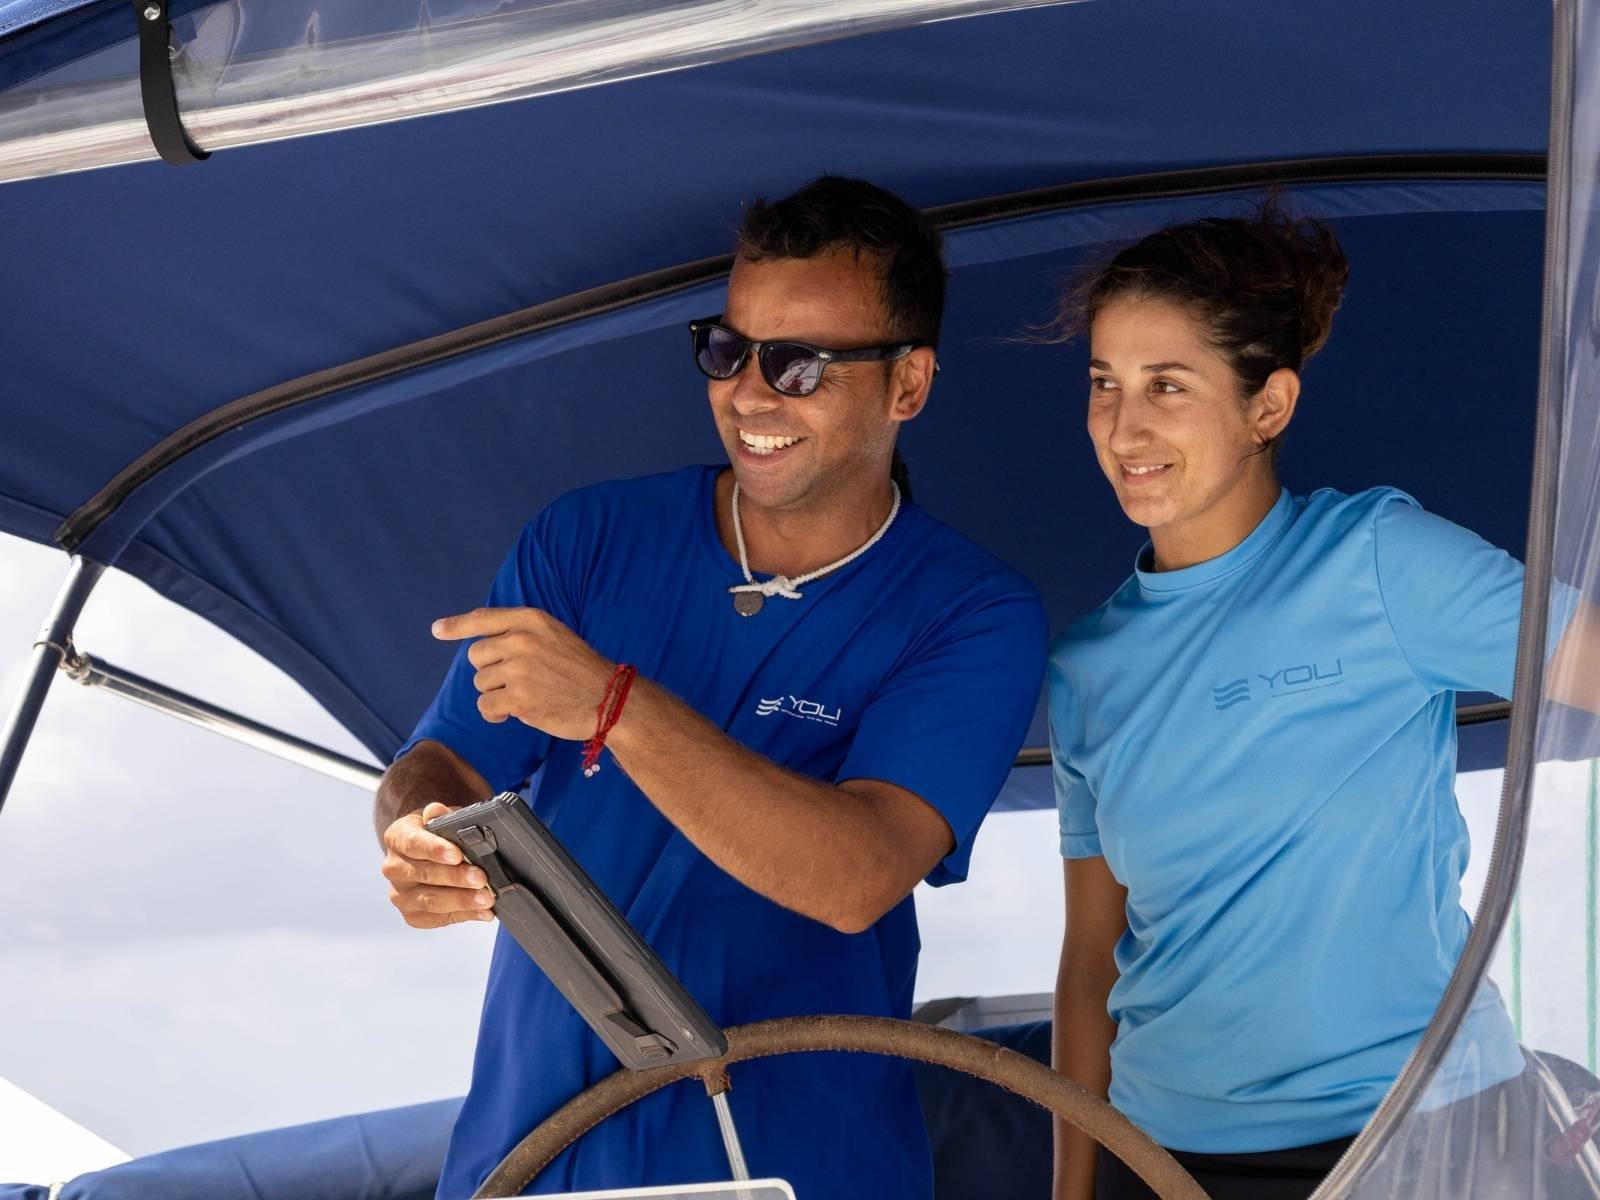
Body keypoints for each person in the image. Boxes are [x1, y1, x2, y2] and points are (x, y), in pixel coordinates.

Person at [374, 175, 1048, 1199]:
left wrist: (615, 706)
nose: (749, 393)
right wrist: (416, 832)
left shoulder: (973, 615)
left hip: (796, 1172)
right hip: (529, 1158)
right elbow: (444, 761)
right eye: (728, 350)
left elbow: (854, 876)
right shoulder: (587, 540)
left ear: (906, 386)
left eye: (799, 364)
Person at [1045, 201, 1600, 1200]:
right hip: (1166, 1154)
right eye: (1104, 384)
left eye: (1166, 386)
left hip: (1415, 1131)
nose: (1123, 427)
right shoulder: (1086, 666)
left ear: (1268, 406)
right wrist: (1074, 1189)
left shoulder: (1379, 561)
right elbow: (1091, 963)